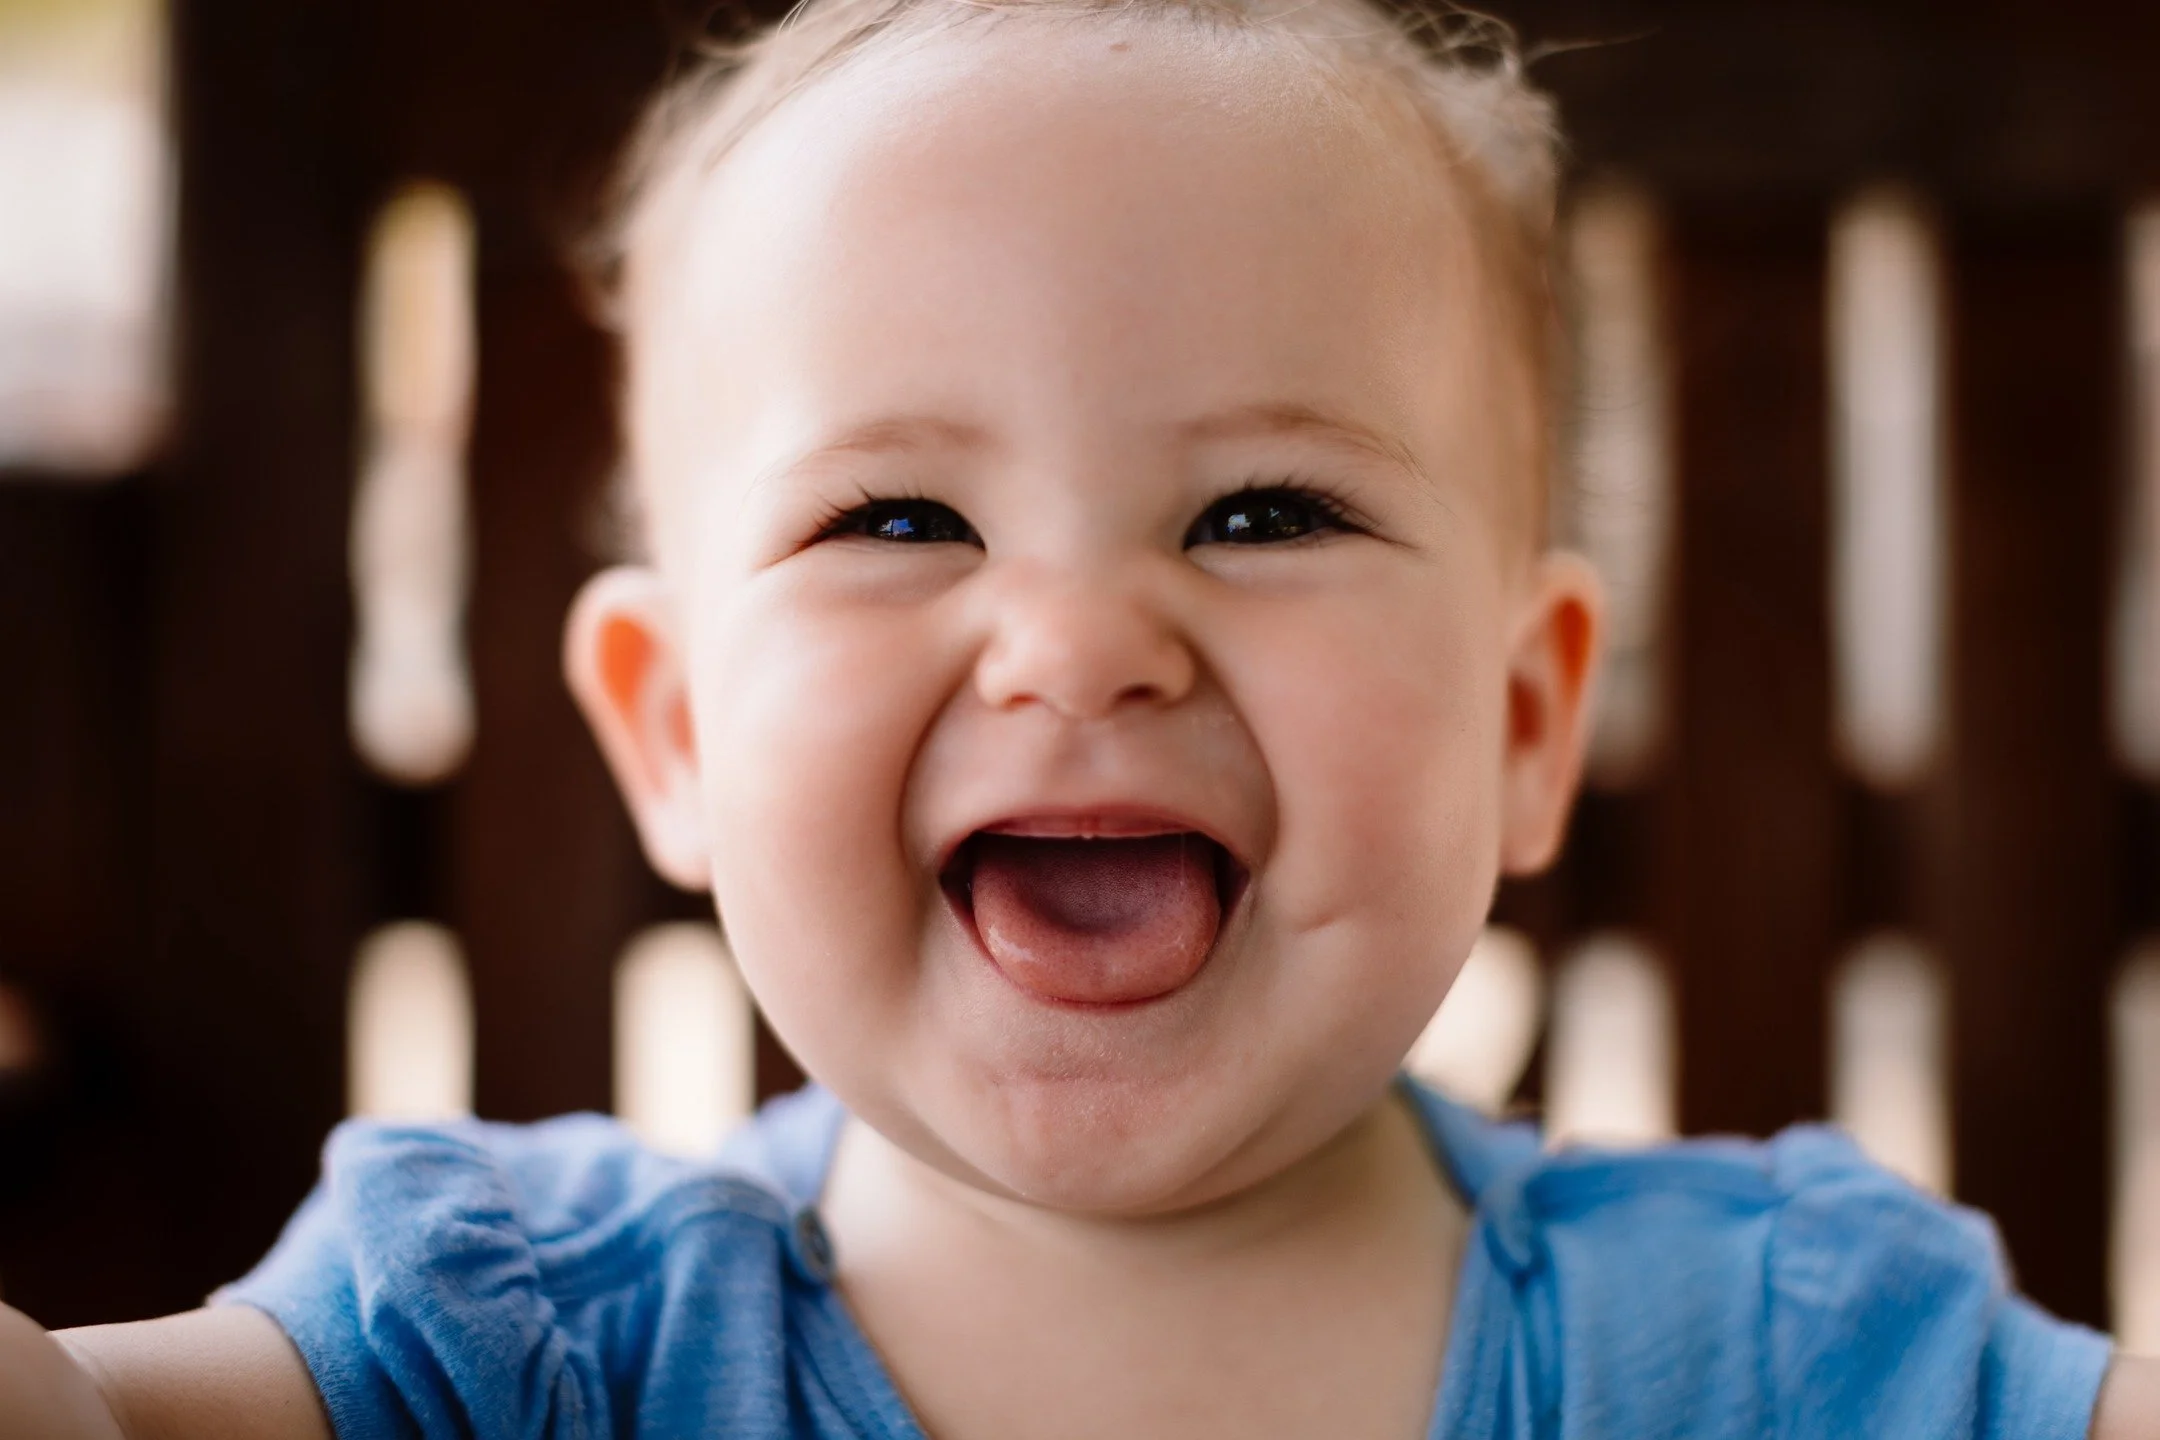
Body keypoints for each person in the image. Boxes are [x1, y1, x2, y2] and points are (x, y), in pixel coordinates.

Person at [4, 0, 2158, 1434]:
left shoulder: (1782, 1357)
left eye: (1262, 507)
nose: (1080, 641)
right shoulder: (525, 1350)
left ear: (1523, 723)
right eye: (903, 512)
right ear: (669, 733)